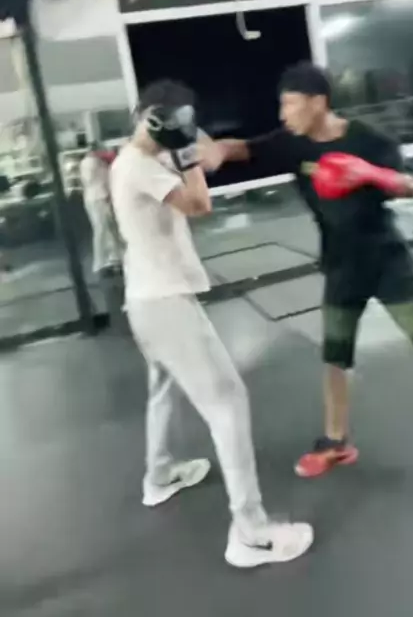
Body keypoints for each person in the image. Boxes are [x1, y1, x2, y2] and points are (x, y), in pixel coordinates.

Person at [198, 61, 413, 489]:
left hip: (386, 261)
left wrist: (369, 173)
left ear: (318, 102)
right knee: (335, 356)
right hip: (341, 265)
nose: (283, 114)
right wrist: (217, 151)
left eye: (290, 104)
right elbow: (244, 148)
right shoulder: (291, 143)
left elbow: (412, 185)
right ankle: (336, 441)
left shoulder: (368, 140)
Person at [109, 79, 314, 568]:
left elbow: (202, 159)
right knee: (228, 401)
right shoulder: (141, 165)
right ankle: (251, 532)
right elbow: (199, 205)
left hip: (146, 299)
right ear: (152, 119)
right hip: (165, 304)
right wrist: (188, 156)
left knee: (164, 386)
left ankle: (159, 476)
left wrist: (200, 149)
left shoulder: (132, 159)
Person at [80, 144, 123, 277]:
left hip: (101, 197)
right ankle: (100, 261)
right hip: (97, 198)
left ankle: (114, 257)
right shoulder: (90, 163)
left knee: (109, 228)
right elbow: (91, 179)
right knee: (101, 229)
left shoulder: (98, 162)